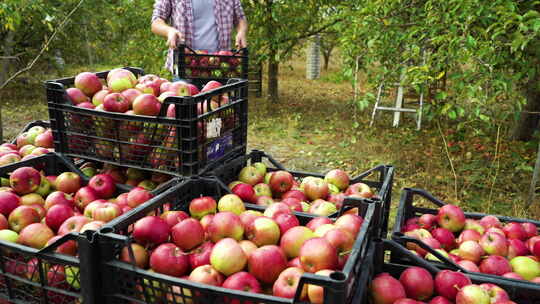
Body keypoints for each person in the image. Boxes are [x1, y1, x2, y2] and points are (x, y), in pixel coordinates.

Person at [151, 0, 248, 75]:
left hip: (221, 67)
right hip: (186, 67)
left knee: (220, 101)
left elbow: (240, 17)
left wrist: (241, 31)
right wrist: (169, 31)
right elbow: (156, 21)